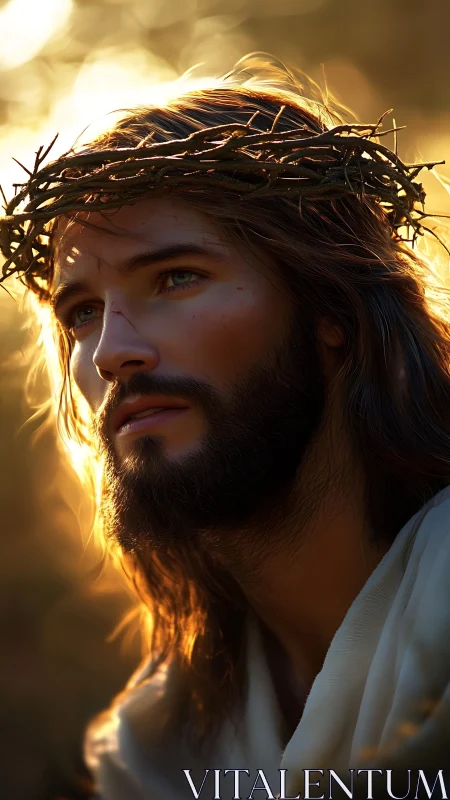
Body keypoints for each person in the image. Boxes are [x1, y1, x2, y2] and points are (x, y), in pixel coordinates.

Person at [2, 56, 450, 799]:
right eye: (81, 312)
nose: (110, 351)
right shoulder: (155, 746)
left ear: (330, 309)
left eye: (176, 277)